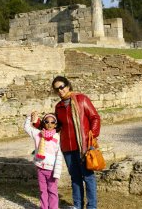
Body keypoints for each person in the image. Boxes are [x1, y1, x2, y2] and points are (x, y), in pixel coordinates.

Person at [37, 76, 101, 209]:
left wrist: (92, 135)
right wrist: (39, 123)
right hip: (67, 147)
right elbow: (56, 126)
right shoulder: (59, 106)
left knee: (88, 177)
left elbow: (95, 117)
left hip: (83, 145)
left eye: (61, 87)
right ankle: (77, 205)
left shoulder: (82, 99)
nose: (60, 90)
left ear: (68, 85)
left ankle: (92, 206)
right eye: (56, 89)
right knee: (75, 178)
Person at [24, 111, 63, 209]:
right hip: (41, 168)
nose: (49, 124)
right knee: (43, 190)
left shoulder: (57, 137)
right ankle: (44, 207)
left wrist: (57, 171)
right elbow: (27, 128)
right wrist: (30, 117)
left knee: (52, 191)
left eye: (52, 122)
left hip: (51, 170)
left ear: (55, 124)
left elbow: (59, 155)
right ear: (43, 123)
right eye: (47, 121)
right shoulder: (38, 134)